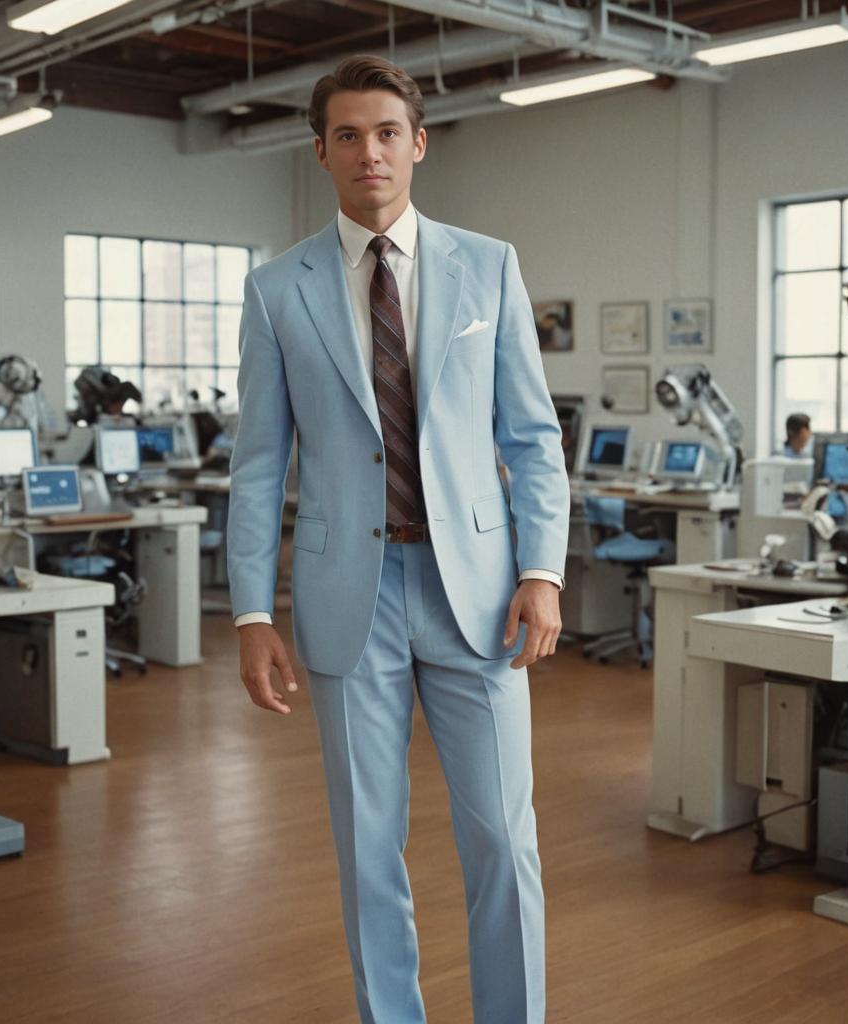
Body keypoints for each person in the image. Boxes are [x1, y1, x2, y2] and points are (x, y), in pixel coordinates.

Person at [227, 55, 569, 1024]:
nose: (368, 150)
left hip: (479, 590)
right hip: (349, 596)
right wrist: (250, 609)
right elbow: (258, 464)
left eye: (386, 131)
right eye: (347, 134)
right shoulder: (275, 289)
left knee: (504, 838)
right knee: (368, 845)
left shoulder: (488, 264)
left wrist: (542, 570)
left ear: (417, 143)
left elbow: (533, 439)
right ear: (322, 150)